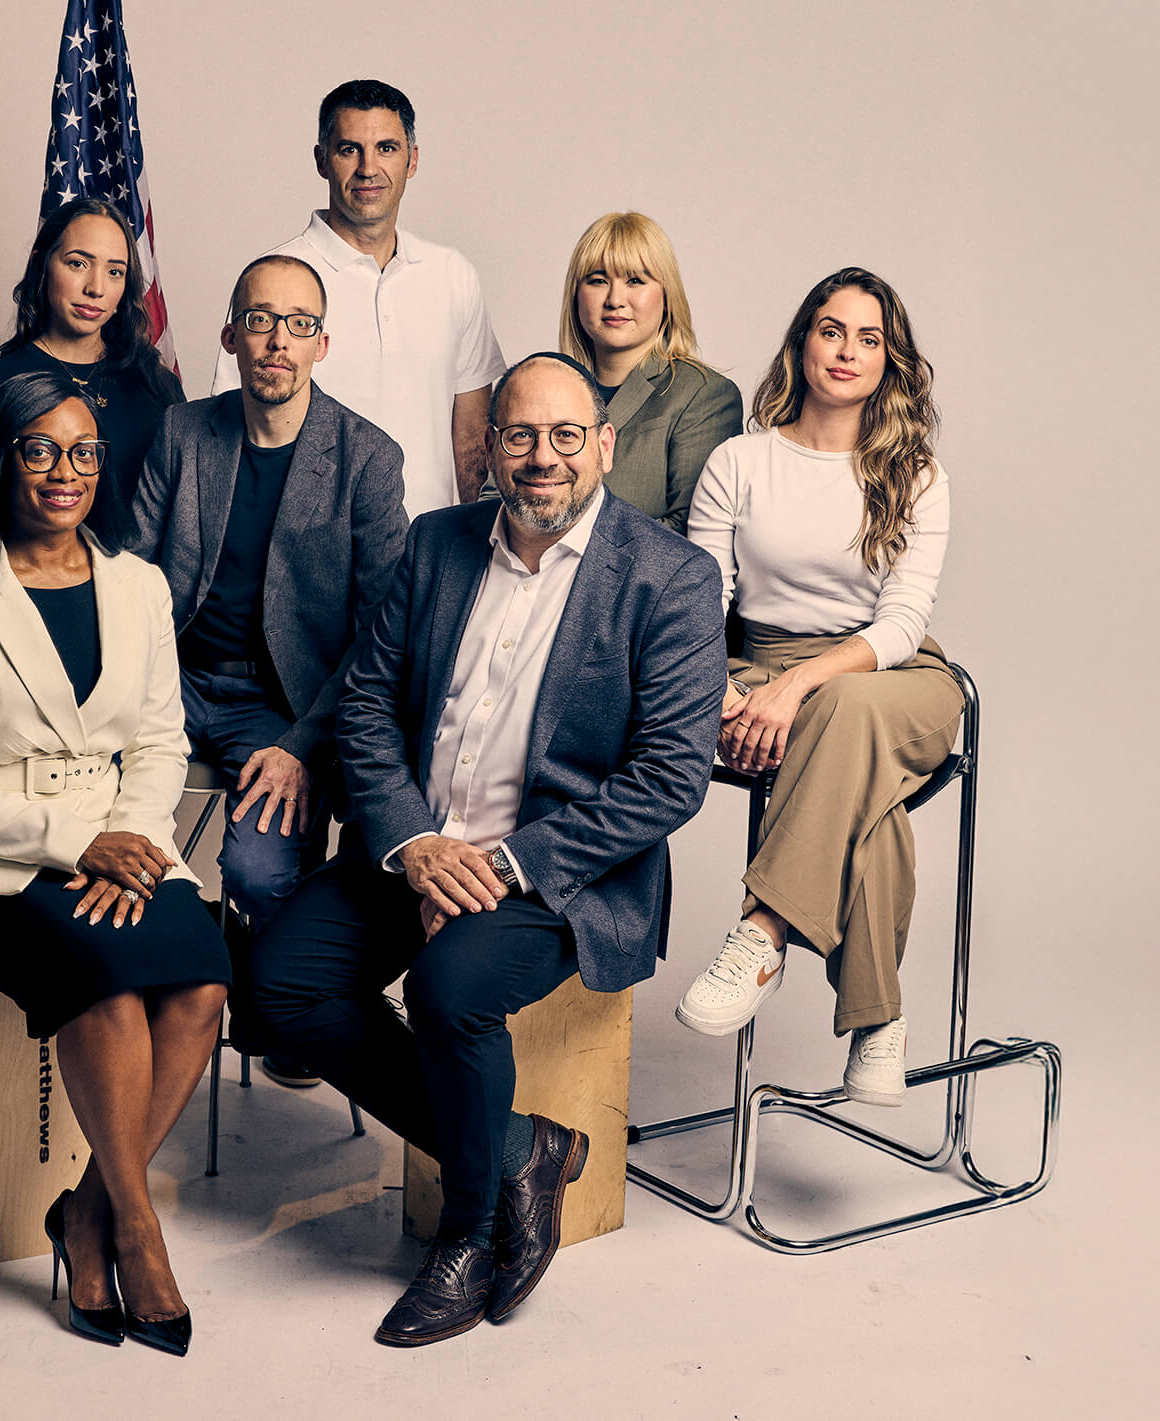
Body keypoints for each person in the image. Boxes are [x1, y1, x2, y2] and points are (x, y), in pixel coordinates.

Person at [244, 353, 725, 1346]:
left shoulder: (669, 576)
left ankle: (466, 1234)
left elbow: (670, 776)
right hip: (420, 844)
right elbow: (368, 703)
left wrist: (501, 866)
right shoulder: (437, 545)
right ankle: (521, 1148)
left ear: (605, 445)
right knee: (275, 985)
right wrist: (417, 842)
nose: (540, 457)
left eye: (563, 436)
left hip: (559, 871)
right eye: (518, 435)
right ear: (490, 450)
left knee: (450, 990)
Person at [0, 372, 228, 1355]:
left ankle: (86, 1210)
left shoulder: (139, 583)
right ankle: (136, 1226)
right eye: (38, 449)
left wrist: (124, 840)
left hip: (120, 836)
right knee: (110, 989)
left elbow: (162, 741)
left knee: (203, 982)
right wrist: (75, 844)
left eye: (83, 452)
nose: (64, 472)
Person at [679, 267, 963, 1108]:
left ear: (889, 361)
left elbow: (901, 624)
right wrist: (720, 689)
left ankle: (763, 929)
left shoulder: (917, 475)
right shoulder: (741, 460)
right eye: (831, 330)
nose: (847, 350)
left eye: (869, 338)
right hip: (760, 665)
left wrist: (797, 685)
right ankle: (880, 1019)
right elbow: (702, 600)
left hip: (888, 675)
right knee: (867, 803)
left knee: (842, 711)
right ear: (803, 343)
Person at [129, 254, 408, 935]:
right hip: (172, 679)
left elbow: (381, 637)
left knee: (258, 874)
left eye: (298, 323)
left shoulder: (367, 459)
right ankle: (153, 987)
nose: (278, 340)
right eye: (260, 320)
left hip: (281, 708)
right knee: (86, 819)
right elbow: (129, 575)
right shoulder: (184, 432)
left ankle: (263, 1021)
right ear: (232, 337)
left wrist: (306, 744)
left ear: (322, 343)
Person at [211, 78, 505, 518]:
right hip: (311, 555)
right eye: (349, 149)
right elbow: (230, 431)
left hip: (430, 546)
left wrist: (459, 539)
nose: (369, 168)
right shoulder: (274, 278)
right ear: (321, 160)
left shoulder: (451, 274)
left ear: (412, 160)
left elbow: (470, 437)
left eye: (387, 148)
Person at [0, 197, 184, 547]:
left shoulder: (158, 384)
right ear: (42, 264)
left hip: (148, 591)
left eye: (114, 272)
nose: (96, 288)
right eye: (78, 263)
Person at [558, 211, 742, 532]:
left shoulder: (704, 395)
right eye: (598, 280)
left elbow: (690, 529)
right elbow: (493, 501)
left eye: (635, 280)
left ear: (666, 295)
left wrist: (561, 549)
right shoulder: (546, 388)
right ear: (576, 294)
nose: (615, 299)